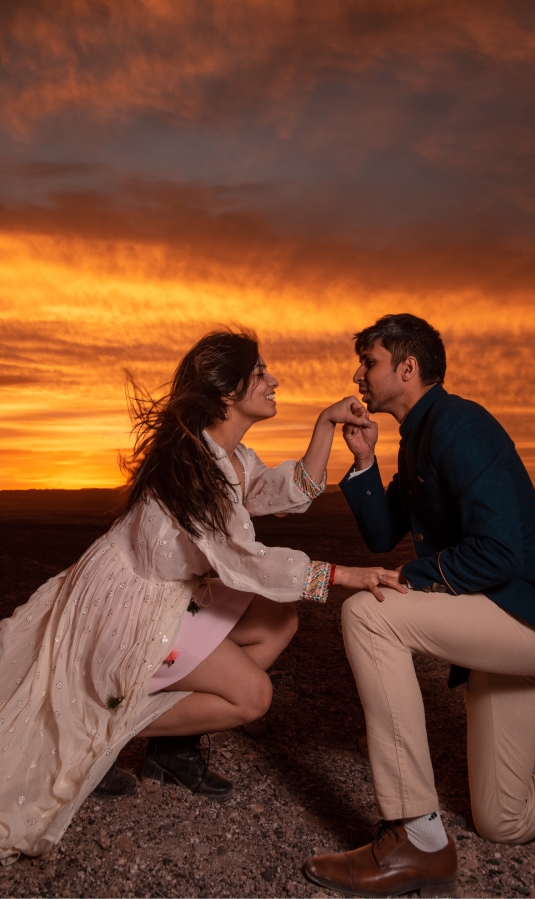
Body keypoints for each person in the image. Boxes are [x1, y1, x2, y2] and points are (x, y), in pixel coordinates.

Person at [0, 328, 403, 866]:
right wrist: (343, 575)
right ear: (226, 394)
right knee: (253, 696)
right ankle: (110, 730)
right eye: (260, 373)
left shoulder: (230, 458)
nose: (274, 379)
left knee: (278, 623)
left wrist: (326, 424)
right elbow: (243, 559)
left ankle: (171, 748)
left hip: (168, 595)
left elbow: (293, 493)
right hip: (129, 611)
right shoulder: (194, 470)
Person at [304, 313, 535, 898]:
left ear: (408, 368)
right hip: (505, 624)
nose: (358, 374)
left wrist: (404, 579)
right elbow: (383, 532)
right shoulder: (419, 437)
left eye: (371, 362)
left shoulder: (458, 425)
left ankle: (416, 834)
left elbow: (497, 553)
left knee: (368, 613)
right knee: (503, 818)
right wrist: (365, 461)